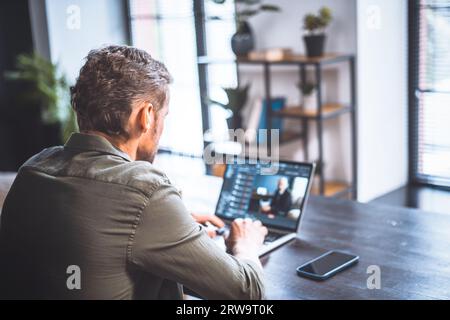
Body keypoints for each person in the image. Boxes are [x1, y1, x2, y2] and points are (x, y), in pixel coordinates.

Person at [0, 45, 267, 300]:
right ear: (147, 116)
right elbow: (245, 293)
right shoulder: (145, 191)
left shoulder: (33, 168)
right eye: (164, 116)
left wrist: (175, 225)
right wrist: (246, 244)